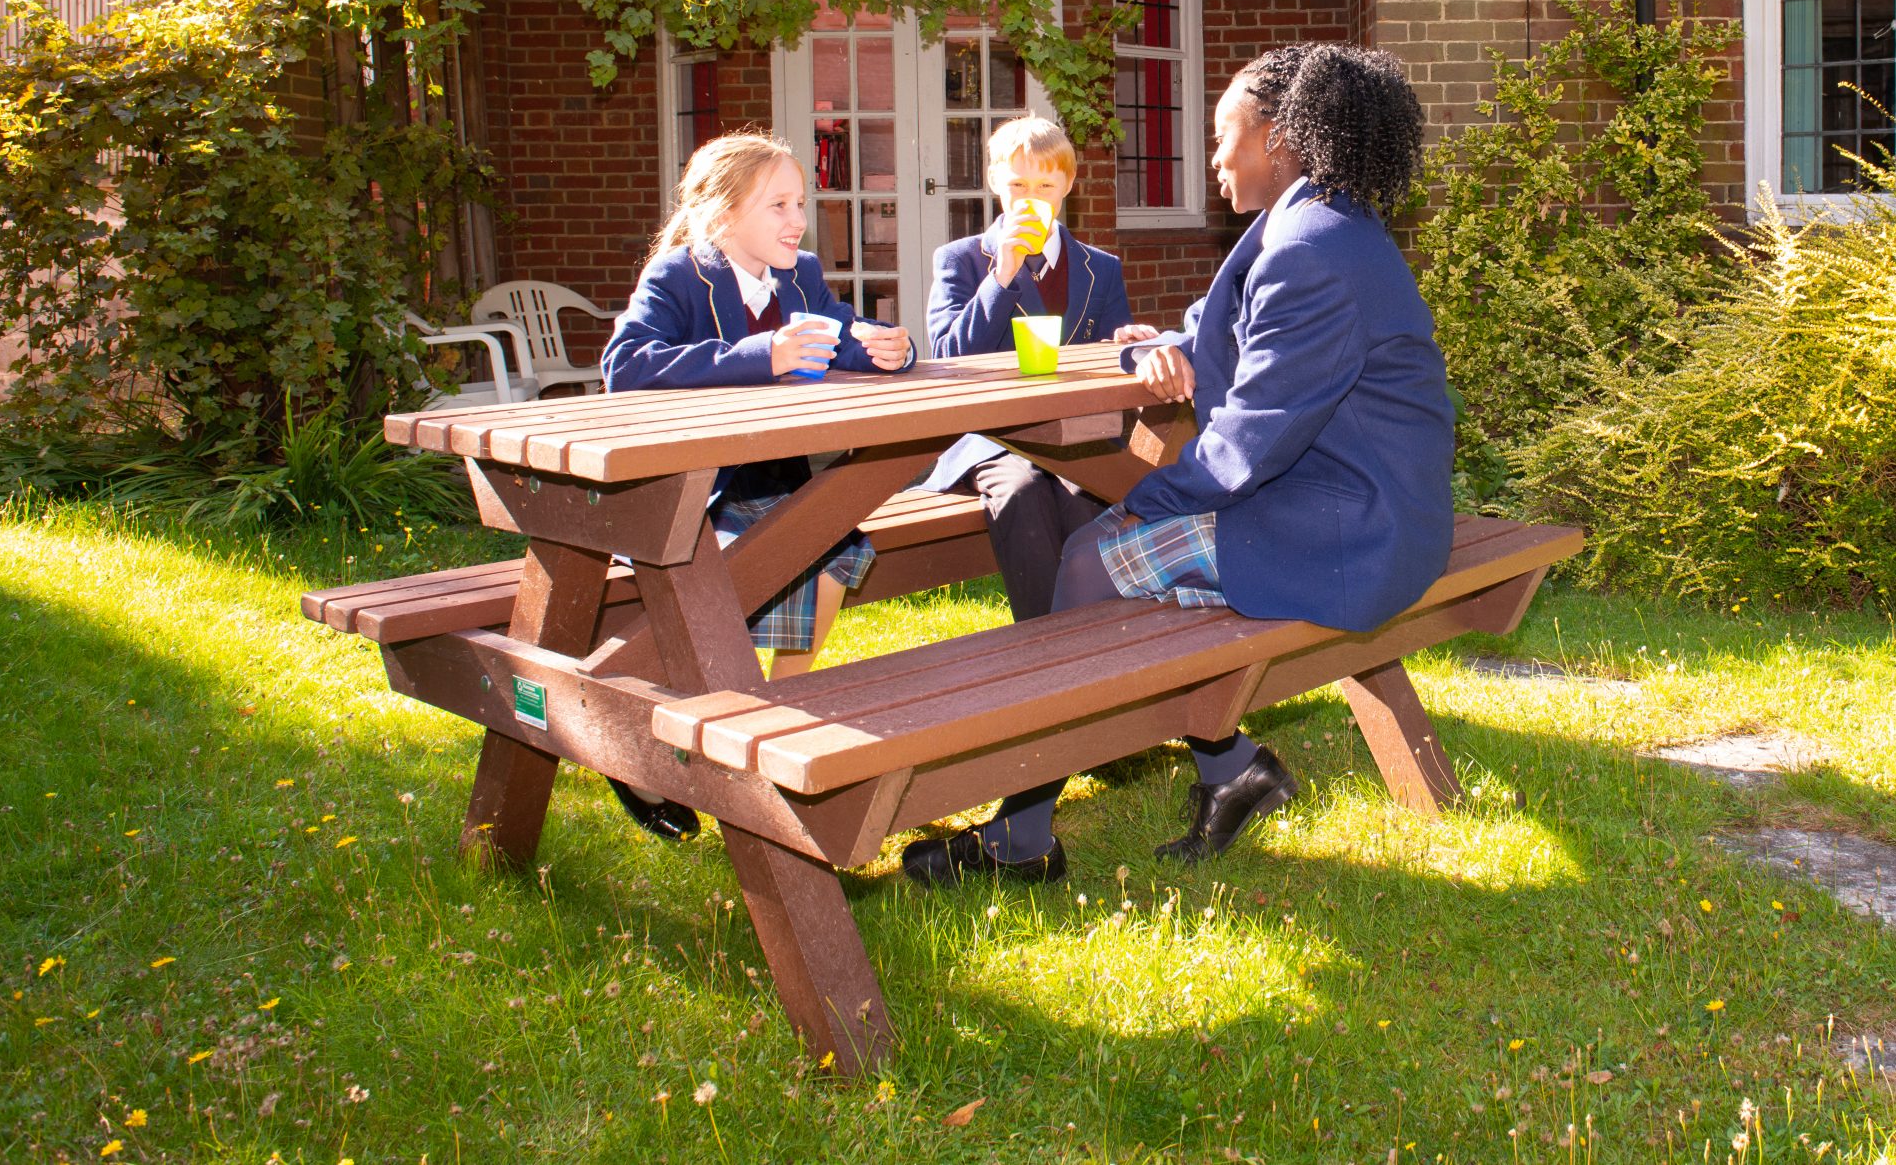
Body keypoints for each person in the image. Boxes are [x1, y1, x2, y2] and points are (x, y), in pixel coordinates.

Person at [902, 45, 1456, 887]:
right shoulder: (1317, 223)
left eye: (1223, 135)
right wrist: (1164, 343)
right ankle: (1225, 769)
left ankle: (1022, 839)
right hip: (1365, 507)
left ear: (1276, 137)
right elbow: (1226, 321)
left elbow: (1245, 445)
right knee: (1113, 560)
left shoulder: (1310, 248)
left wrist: (1136, 506)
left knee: (1090, 555)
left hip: (1352, 531)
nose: (1213, 158)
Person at [600, 130, 915, 839]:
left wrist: (891, 348)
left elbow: (844, 334)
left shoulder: (799, 274)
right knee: (755, 573)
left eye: (799, 202)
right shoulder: (681, 276)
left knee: (835, 547)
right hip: (691, 497)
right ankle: (649, 743)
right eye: (777, 204)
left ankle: (776, 718)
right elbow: (625, 363)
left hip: (773, 484)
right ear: (722, 216)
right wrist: (758, 353)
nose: (797, 219)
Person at [923, 117, 1159, 618]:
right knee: (1024, 493)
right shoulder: (962, 260)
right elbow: (947, 356)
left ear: (1068, 187)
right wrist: (1002, 273)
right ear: (993, 183)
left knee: (1087, 493)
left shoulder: (1100, 267)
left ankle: (1103, 634)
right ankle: (1044, 645)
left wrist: (1125, 343)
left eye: (1046, 186)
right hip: (993, 436)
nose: (1031, 198)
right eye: (1017, 185)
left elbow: (1112, 352)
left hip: (1076, 431)